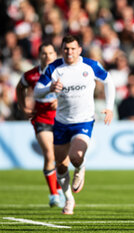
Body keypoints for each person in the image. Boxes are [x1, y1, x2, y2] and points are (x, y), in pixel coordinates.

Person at [34, 35, 115, 215]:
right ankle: (69, 199)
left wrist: (109, 107)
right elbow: (36, 92)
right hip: (62, 122)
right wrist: (49, 88)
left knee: (75, 157)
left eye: (73, 48)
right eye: (66, 49)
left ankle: (80, 166)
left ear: (79, 50)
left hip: (84, 120)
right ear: (62, 50)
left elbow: (109, 81)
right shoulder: (54, 68)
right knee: (60, 165)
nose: (69, 52)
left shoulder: (90, 66)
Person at [16, 42, 65, 208]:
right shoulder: (31, 75)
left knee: (61, 158)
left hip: (61, 118)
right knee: (49, 154)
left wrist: (60, 101)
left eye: (50, 53)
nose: (47, 56)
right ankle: (53, 194)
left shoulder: (63, 72)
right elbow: (19, 88)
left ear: (55, 54)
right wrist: (24, 107)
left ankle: (59, 189)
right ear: (39, 55)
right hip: (41, 118)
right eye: (44, 53)